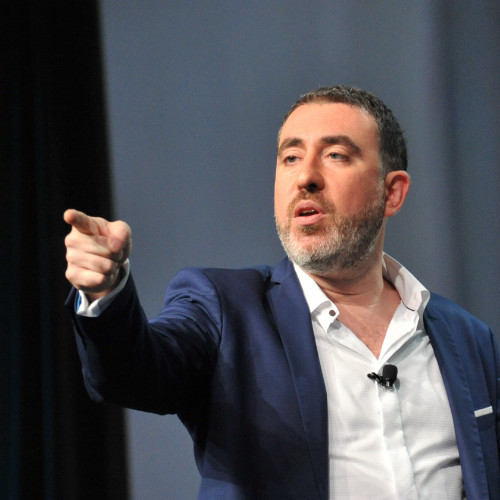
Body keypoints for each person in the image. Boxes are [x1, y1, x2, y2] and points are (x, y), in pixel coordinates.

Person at [64, 85, 500, 499]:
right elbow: (135, 374)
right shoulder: (224, 309)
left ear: (392, 192)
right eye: (290, 157)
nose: (305, 177)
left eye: (335, 155)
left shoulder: (468, 340)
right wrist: (107, 292)